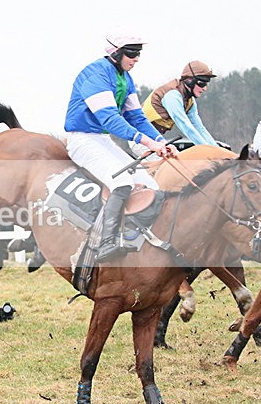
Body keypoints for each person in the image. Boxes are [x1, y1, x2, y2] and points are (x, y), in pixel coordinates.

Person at [63, 33, 177, 262]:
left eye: (138, 54)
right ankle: (106, 243)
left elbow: (137, 117)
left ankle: (141, 240)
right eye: (132, 54)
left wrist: (161, 142)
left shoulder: (125, 78)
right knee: (122, 182)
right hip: (82, 139)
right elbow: (110, 119)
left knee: (151, 184)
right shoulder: (95, 74)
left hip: (102, 140)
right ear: (115, 53)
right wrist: (148, 143)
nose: (136, 59)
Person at [130, 60, 219, 158]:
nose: (205, 88)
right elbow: (185, 126)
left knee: (182, 164)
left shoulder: (189, 101)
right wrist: (207, 151)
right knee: (175, 169)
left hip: (155, 139)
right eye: (202, 83)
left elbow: (199, 128)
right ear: (189, 80)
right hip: (140, 139)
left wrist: (217, 150)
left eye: (207, 84)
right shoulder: (172, 96)